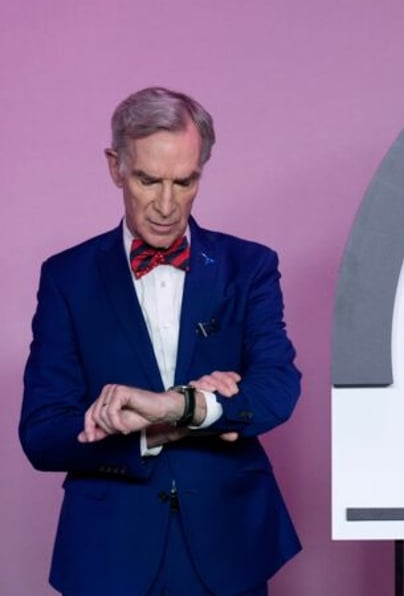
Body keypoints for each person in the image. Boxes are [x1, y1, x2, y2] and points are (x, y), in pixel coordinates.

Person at [19, 87, 302, 596]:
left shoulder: (251, 267)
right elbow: (41, 434)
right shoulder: (66, 277)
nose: (168, 205)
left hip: (229, 545)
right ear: (114, 167)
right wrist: (149, 431)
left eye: (185, 181)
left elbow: (277, 390)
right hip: (109, 554)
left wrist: (182, 405)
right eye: (148, 180)